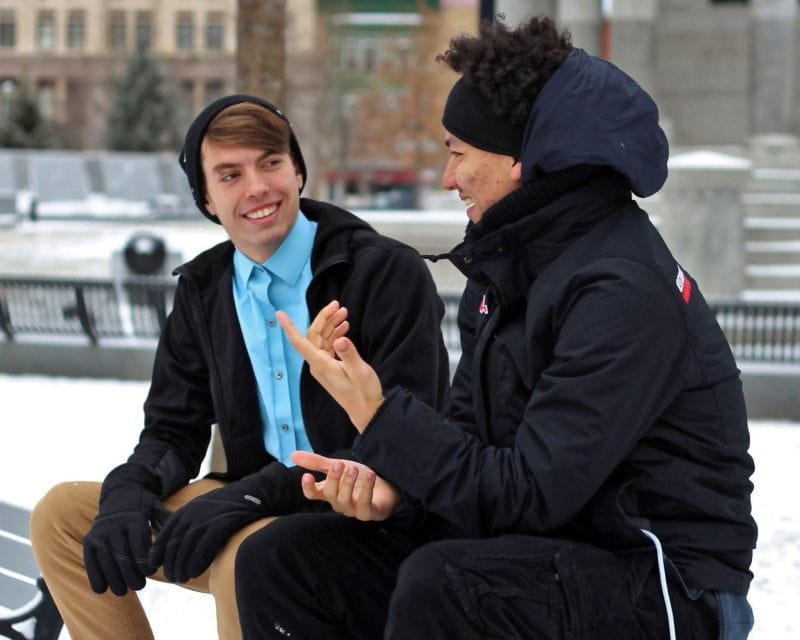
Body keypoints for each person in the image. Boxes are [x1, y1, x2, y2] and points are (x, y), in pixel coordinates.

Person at [234, 16, 757, 640]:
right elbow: (474, 444)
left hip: (666, 585)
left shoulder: (620, 290)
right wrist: (395, 492)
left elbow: (528, 492)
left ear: (519, 160)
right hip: (547, 549)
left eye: (458, 152)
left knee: (447, 585)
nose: (448, 177)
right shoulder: (509, 268)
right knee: (285, 561)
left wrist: (377, 414)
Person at [29, 95, 450, 639]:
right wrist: (130, 489)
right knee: (63, 516)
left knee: (247, 554)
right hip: (247, 501)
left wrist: (251, 497)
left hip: (361, 511)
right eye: (230, 175)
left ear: (298, 171)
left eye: (270, 163)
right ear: (206, 197)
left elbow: (410, 438)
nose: (256, 188)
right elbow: (173, 427)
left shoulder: (382, 272)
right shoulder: (205, 289)